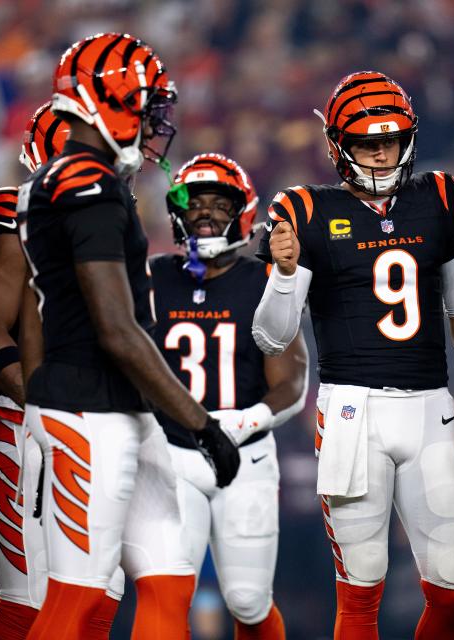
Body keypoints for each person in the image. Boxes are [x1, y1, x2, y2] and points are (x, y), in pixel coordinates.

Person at [252, 70, 454, 640]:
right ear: (340, 145)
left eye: (389, 139)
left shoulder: (438, 197)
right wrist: (285, 275)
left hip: (433, 409)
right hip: (352, 412)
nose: (382, 152)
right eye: (368, 142)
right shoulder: (306, 210)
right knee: (360, 591)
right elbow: (271, 336)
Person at [17, 33, 240, 640]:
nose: (152, 125)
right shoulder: (87, 186)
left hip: (117, 408)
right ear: (108, 100)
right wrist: (200, 421)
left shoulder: (73, 179)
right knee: (78, 595)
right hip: (86, 409)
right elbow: (117, 329)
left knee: (168, 577)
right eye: (145, 109)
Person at [0, 103, 126, 638]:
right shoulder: (12, 214)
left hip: (90, 425)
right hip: (27, 422)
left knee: (98, 600)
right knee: (28, 606)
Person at [149, 152, 308, 638]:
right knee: (166, 591)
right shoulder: (151, 276)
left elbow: (293, 380)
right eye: (194, 203)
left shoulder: (263, 279)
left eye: (220, 204)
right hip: (171, 453)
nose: (205, 213)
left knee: (248, 600)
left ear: (241, 211)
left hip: (245, 455)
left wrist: (243, 421)